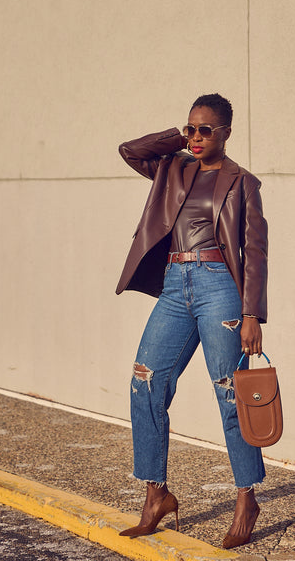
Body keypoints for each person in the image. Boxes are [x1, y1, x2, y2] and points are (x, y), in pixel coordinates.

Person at [115, 93, 268, 548]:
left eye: (206, 130)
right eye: (191, 129)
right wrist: (174, 138)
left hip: (219, 284)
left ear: (226, 132)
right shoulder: (172, 167)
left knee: (229, 391)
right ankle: (155, 494)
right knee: (146, 382)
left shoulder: (242, 182)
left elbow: (255, 251)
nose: (197, 137)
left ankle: (246, 497)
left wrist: (252, 313)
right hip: (174, 284)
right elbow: (130, 151)